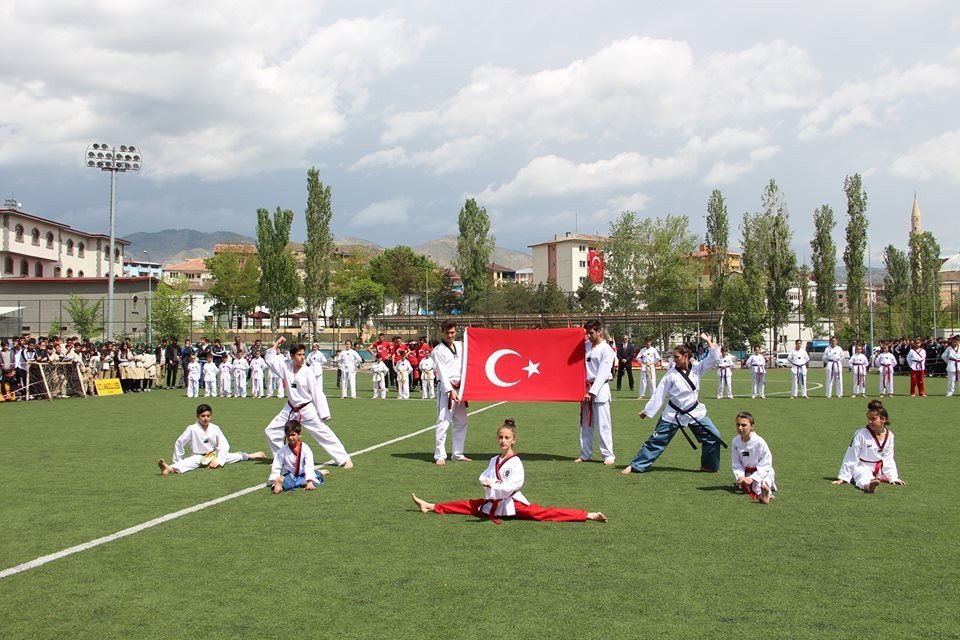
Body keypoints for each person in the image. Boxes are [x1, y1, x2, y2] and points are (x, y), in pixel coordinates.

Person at [412, 419, 607, 524]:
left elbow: (512, 486)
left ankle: (588, 515)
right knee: (468, 505)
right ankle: (431, 506)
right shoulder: (494, 459)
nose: (503, 440)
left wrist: (493, 485)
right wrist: (486, 483)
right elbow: (484, 476)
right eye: (500, 437)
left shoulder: (516, 463)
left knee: (544, 513)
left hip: (513, 504)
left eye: (506, 437)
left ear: (514, 440)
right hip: (494, 502)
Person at [623, 333, 725, 475]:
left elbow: (713, 358)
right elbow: (659, 393)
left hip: (694, 411)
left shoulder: (697, 368)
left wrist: (708, 341)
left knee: (713, 436)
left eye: (676, 357)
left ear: (685, 356)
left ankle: (709, 465)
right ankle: (636, 465)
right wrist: (646, 411)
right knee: (657, 440)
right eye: (673, 357)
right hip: (673, 413)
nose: (674, 360)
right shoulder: (671, 374)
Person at [262, 337, 353, 469]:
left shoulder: (307, 372)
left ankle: (344, 459)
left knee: (323, 432)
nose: (302, 357)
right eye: (299, 355)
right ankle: (281, 458)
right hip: (290, 408)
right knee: (270, 431)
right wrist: (276, 343)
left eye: (303, 354)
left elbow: (317, 393)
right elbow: (270, 360)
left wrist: (324, 413)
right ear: (292, 356)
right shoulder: (285, 367)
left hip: (306, 408)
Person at [157, 404, 265, 475]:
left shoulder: (215, 428)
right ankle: (170, 468)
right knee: (187, 462)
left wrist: (218, 460)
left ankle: (251, 455)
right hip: (198, 456)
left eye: (208, 416)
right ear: (197, 416)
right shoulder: (192, 429)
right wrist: (178, 460)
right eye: (203, 416)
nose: (206, 418)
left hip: (213, 455)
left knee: (233, 456)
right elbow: (179, 443)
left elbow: (223, 445)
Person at [833, 399, 904, 493]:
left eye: (873, 419)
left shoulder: (890, 435)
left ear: (883, 419)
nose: (870, 421)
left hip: (879, 468)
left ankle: (874, 480)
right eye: (868, 418)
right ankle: (869, 486)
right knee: (863, 477)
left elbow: (888, 458)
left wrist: (893, 477)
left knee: (884, 476)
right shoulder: (860, 434)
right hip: (862, 466)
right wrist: (844, 477)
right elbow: (851, 455)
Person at [576, 319, 616, 465]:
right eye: (587, 333)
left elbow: (603, 373)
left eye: (591, 333)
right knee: (585, 424)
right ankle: (585, 454)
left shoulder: (606, 350)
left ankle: (608, 455)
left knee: (603, 424)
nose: (588, 336)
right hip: (584, 388)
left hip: (599, 389)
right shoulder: (586, 346)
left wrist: (591, 392)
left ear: (599, 332)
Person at [432, 319, 471, 465]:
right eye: (448, 333)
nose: (450, 335)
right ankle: (440, 455)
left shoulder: (460, 346)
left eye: (453, 332)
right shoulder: (438, 351)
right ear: (442, 332)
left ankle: (458, 453)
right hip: (447, 390)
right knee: (443, 421)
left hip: (461, 388)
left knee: (462, 421)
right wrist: (450, 391)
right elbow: (441, 373)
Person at [268, 420, 330, 493]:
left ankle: (318, 472)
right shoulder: (282, 450)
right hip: (291, 474)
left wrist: (309, 481)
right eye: (288, 435)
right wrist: (274, 479)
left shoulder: (305, 449)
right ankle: (279, 485)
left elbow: (309, 465)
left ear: (299, 434)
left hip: (304, 473)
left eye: (293, 435)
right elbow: (276, 465)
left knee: (314, 482)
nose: (290, 438)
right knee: (288, 483)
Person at [731, 411, 776, 504]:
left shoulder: (759, 442)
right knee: (745, 484)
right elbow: (736, 462)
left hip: (762, 471)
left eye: (744, 425)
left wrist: (753, 478)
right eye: (738, 425)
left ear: (752, 426)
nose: (740, 428)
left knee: (763, 481)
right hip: (746, 472)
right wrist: (740, 476)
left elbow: (766, 463)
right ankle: (763, 492)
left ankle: (765, 492)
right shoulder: (735, 441)